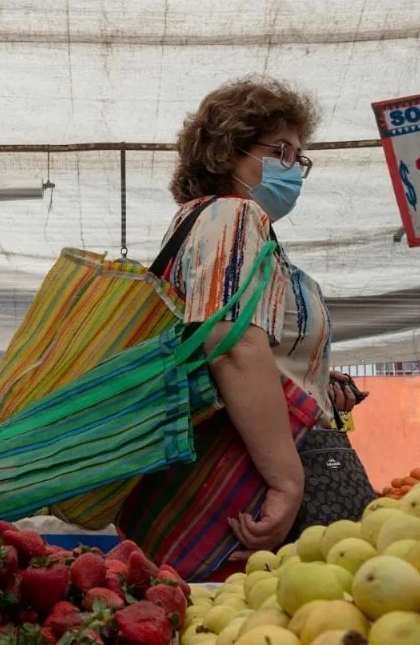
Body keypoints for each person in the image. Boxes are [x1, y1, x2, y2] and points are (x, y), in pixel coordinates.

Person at [114, 76, 368, 580]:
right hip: (252, 477)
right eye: (281, 151)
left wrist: (314, 382)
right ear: (228, 152)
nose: (293, 168)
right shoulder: (232, 215)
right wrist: (286, 483)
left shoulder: (216, 227)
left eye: (300, 156)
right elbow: (230, 345)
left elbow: (241, 345)